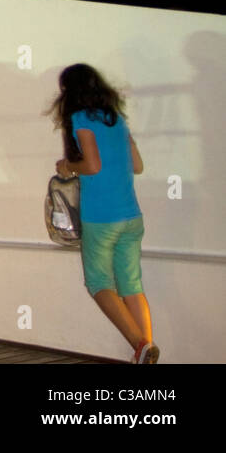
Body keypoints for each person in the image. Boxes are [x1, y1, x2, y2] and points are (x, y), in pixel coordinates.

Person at [50, 63, 156, 363]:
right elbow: (137, 165)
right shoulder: (118, 120)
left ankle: (141, 344)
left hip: (102, 218)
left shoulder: (81, 118)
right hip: (131, 217)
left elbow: (92, 166)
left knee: (98, 284)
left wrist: (68, 166)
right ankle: (145, 351)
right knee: (132, 286)